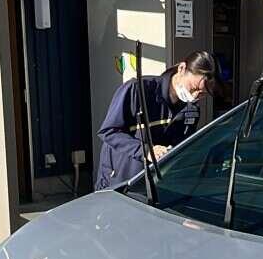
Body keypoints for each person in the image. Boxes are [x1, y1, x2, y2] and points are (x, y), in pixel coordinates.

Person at [94, 51, 222, 190]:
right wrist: (147, 151)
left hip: (157, 185)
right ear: (182, 69)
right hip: (120, 181)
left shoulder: (191, 109)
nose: (194, 96)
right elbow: (109, 131)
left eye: (202, 94)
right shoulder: (137, 90)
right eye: (194, 88)